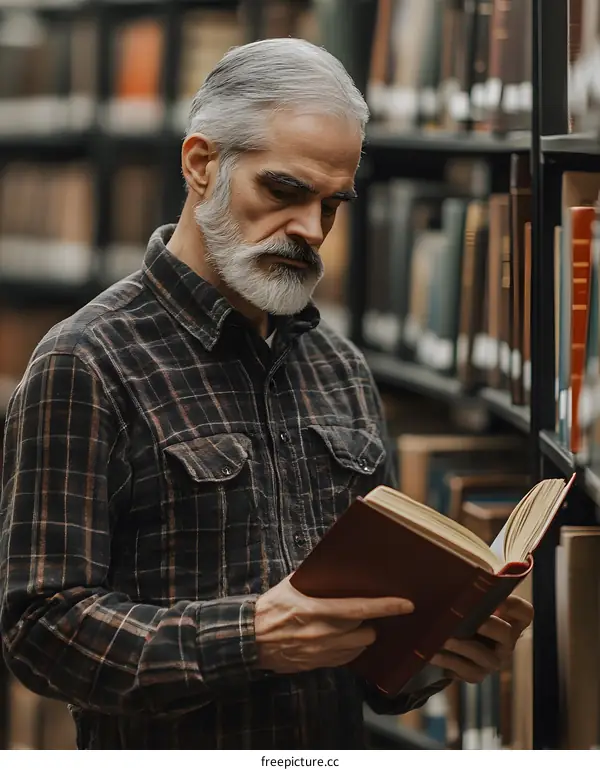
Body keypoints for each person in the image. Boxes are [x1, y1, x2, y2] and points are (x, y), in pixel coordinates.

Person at [0, 38, 532, 750]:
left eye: (332, 205)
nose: (310, 230)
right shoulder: (86, 361)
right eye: (283, 191)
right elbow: (41, 631)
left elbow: (369, 663)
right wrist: (249, 637)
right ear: (201, 164)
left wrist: (429, 654)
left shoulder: (339, 368)